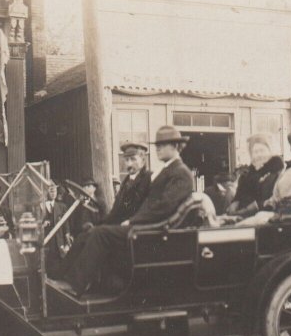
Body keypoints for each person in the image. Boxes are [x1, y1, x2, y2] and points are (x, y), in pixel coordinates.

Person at [64, 126, 194, 295]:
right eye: (157, 145)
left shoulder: (180, 172)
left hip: (152, 230)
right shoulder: (168, 170)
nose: (158, 148)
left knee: (100, 234)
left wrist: (133, 221)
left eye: (163, 144)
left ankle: (75, 286)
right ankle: (62, 278)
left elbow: (163, 207)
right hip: (148, 226)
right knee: (89, 234)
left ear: (176, 146)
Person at [226, 133, 284, 218]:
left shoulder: (277, 172)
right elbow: (239, 194)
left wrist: (245, 211)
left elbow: (272, 199)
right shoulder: (246, 175)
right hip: (242, 216)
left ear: (270, 151)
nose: (259, 155)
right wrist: (235, 203)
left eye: (262, 151)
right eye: (255, 152)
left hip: (266, 216)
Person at [102, 142, 152, 225]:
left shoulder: (149, 179)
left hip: (137, 229)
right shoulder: (126, 183)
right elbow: (114, 213)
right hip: (122, 227)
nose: (129, 164)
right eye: (126, 160)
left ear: (143, 161)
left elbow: (149, 210)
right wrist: (97, 225)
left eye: (133, 159)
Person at [42, 183, 72, 278]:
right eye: (51, 191)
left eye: (54, 191)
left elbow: (65, 223)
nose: (53, 193)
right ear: (47, 192)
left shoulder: (62, 206)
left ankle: (57, 277)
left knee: (58, 256)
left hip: (58, 237)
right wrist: (42, 224)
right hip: (46, 237)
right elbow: (37, 221)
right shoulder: (41, 206)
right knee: (47, 257)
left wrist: (67, 235)